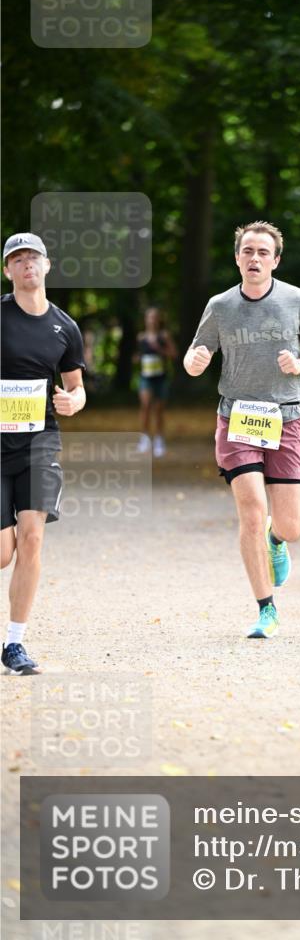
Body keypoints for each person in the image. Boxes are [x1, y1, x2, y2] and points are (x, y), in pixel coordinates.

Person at [183, 221, 300, 638]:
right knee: (250, 513)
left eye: (263, 253)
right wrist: (193, 363)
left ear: (275, 260)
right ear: (237, 258)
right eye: (248, 251)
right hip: (237, 417)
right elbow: (199, 351)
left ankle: (277, 540)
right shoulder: (220, 306)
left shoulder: (296, 300)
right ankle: (266, 609)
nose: (254, 259)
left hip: (286, 418)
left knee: (290, 525)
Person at [1, 233, 86, 673]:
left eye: (33, 256)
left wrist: (74, 401)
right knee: (2, 553)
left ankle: (14, 643)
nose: (27, 264)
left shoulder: (64, 327)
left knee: (32, 537)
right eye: (17, 259)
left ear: (47, 266)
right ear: (8, 271)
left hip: (39, 442)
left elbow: (76, 386)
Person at [134, 307, 177, 457]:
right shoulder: (141, 337)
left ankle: (159, 440)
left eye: (154, 317)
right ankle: (144, 439)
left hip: (161, 377)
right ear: (145, 319)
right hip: (145, 376)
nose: (151, 320)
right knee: (145, 406)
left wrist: (159, 349)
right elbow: (139, 354)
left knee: (158, 409)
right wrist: (137, 358)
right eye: (149, 317)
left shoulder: (164, 336)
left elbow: (174, 354)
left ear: (159, 320)